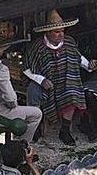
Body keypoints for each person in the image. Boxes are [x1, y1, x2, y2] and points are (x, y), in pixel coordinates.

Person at [23, 11, 86, 146]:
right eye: (57, 32)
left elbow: (78, 58)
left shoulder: (69, 42)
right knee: (33, 92)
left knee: (73, 92)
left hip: (65, 80)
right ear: (48, 33)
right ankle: (36, 127)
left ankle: (65, 131)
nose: (61, 34)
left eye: (62, 31)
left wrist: (90, 65)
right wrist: (41, 80)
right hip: (44, 81)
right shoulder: (37, 47)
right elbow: (27, 69)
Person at [0, 41, 42, 143]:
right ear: (1, 52)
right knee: (36, 114)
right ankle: (22, 146)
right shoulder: (1, 69)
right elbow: (11, 100)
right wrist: (13, 104)